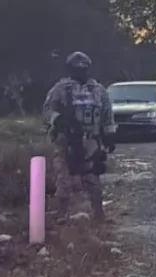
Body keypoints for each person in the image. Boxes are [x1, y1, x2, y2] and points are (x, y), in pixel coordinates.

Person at [44, 51, 116, 223]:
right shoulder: (61, 89)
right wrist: (59, 120)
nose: (80, 72)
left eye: (83, 68)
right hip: (66, 139)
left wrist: (109, 135)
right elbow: (47, 110)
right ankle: (63, 214)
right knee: (63, 177)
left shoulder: (98, 90)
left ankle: (98, 214)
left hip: (91, 139)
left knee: (93, 177)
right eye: (77, 69)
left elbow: (107, 115)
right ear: (70, 69)